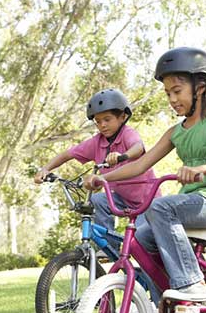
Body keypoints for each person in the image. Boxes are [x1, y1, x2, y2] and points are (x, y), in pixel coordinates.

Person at [84, 47, 206, 302]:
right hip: (189, 204)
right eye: (168, 93)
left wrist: (199, 169)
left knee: (159, 208)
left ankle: (191, 283)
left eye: (177, 91)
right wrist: (104, 178)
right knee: (139, 242)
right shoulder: (175, 132)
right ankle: (167, 302)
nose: (172, 99)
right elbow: (141, 164)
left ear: (199, 87)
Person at [34, 88, 159, 249]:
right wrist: (45, 169)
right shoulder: (96, 142)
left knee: (142, 241)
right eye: (98, 121)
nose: (102, 125)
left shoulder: (127, 133)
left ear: (122, 116)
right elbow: (67, 154)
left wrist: (123, 156)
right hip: (122, 198)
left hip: (147, 201)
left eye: (107, 119)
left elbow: (138, 147)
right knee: (97, 199)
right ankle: (109, 247)